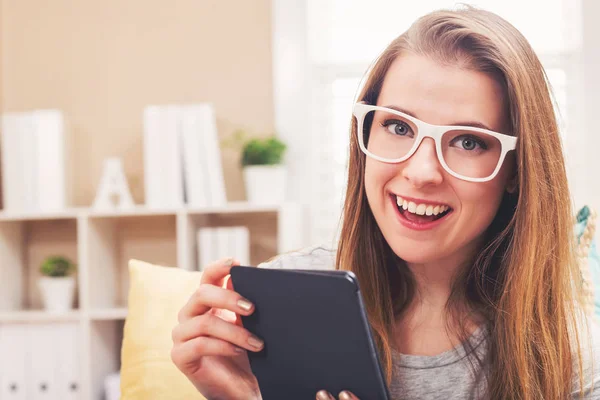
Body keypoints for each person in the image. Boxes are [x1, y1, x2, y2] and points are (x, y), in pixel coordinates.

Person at [170, 6, 600, 399]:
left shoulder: (569, 352)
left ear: (516, 171)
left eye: (469, 142)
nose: (421, 172)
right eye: (398, 126)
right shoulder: (275, 305)